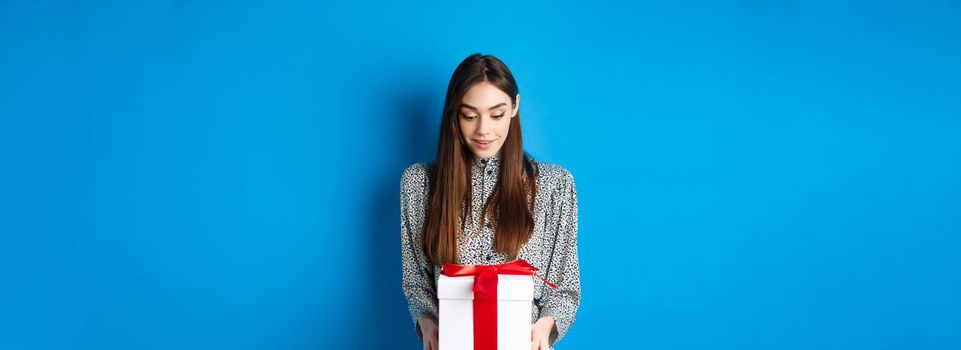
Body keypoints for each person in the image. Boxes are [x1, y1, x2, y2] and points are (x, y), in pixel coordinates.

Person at [400, 53, 580, 350]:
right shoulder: (418, 184)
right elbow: (416, 279)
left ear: (515, 107)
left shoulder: (555, 185)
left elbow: (565, 287)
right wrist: (427, 321)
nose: (483, 129)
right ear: (453, 114)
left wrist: (545, 327)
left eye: (496, 114)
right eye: (469, 115)